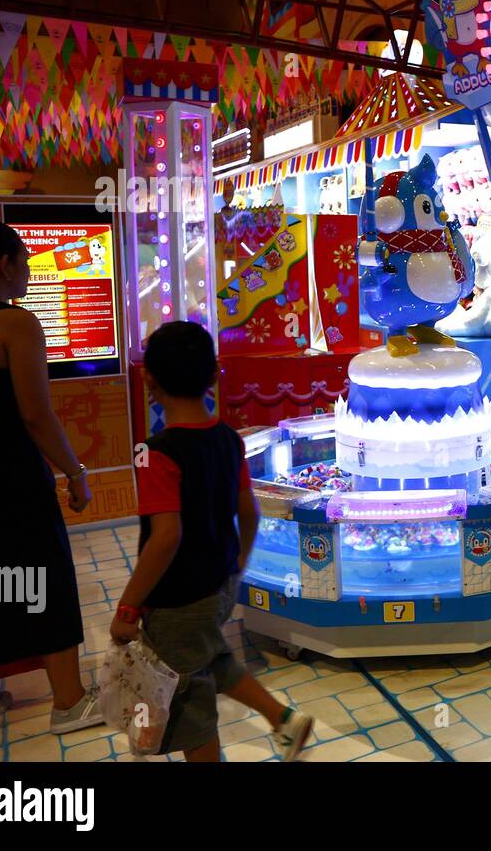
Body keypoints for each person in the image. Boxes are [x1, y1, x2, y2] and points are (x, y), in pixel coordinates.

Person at [111, 321, 313, 761]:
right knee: (209, 656)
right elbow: (250, 512)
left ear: (149, 379)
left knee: (188, 704)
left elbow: (165, 537)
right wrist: (235, 566)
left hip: (177, 599)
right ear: (214, 375)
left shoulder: (155, 452)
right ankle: (283, 719)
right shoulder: (228, 439)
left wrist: (128, 606)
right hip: (219, 584)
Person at [0, 220, 103, 745]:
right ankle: (69, 702)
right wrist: (75, 472)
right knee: (47, 579)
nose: (31, 270)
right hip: (10, 479)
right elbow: (36, 417)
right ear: (2, 266)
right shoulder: (12, 325)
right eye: (26, 260)